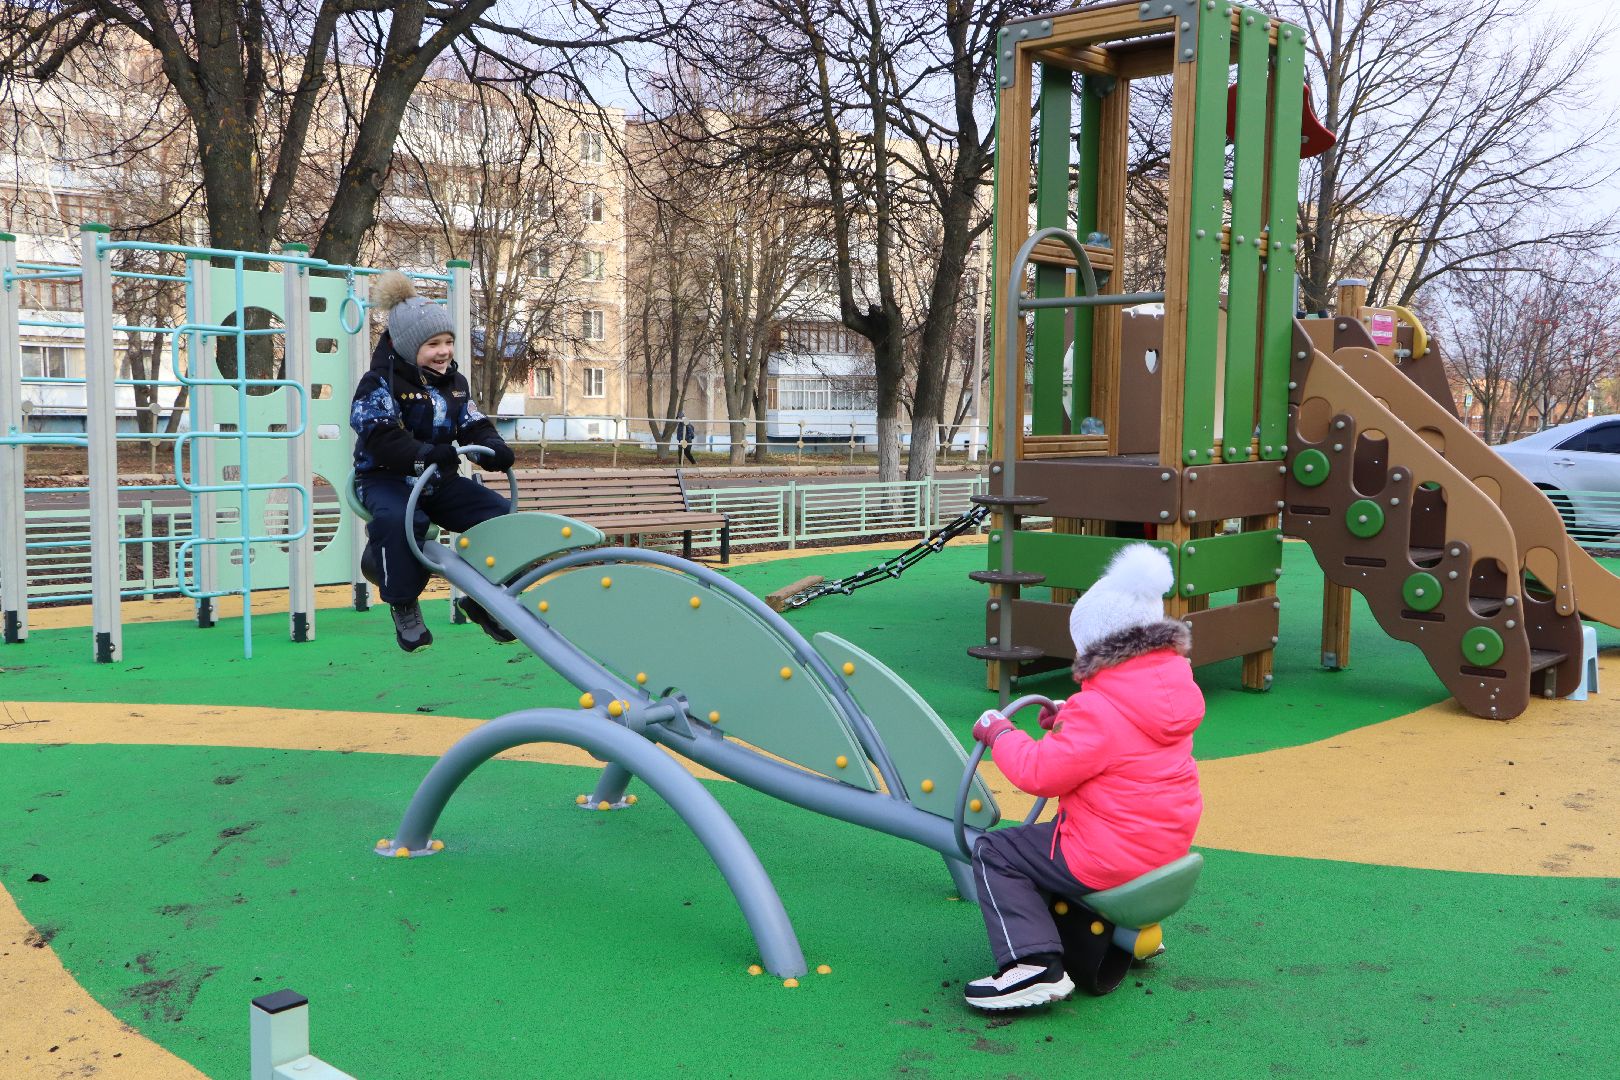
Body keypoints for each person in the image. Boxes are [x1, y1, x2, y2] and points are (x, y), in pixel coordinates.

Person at [964, 542, 1204, 1010]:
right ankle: (1130, 931)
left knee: (999, 850)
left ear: (1097, 647)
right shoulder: (1174, 688)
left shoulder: (1099, 709)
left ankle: (1032, 965)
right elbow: (1124, 741)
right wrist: (1071, 718)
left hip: (1111, 856)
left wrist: (1000, 732)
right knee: (1054, 839)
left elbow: (1038, 773)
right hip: (1167, 847)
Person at [350, 270, 518, 653]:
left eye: (448, 342)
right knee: (401, 520)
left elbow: (471, 420)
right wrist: (422, 453)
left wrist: (491, 444)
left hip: (437, 479)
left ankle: (483, 599)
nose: (443, 352)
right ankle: (403, 604)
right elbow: (379, 434)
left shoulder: (454, 382)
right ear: (408, 347)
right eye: (432, 344)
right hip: (386, 478)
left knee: (501, 515)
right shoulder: (379, 382)